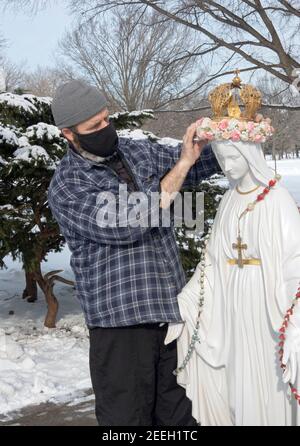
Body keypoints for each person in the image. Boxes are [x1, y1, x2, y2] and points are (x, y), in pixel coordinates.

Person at [48, 79, 221, 426]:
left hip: (171, 321)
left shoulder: (137, 151)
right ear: (69, 134)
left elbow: (196, 162)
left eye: (106, 118)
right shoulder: (68, 186)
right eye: (93, 126)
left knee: (182, 420)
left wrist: (231, 133)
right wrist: (183, 166)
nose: (105, 129)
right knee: (127, 423)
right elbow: (129, 220)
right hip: (121, 332)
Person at [165, 138, 300, 426]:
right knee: (236, 385)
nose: (226, 165)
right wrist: (187, 302)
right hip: (231, 305)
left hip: (266, 306)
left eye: (232, 157)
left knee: (266, 381)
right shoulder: (229, 199)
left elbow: (295, 263)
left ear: (249, 154)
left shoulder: (278, 200)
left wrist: (295, 324)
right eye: (221, 158)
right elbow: (211, 260)